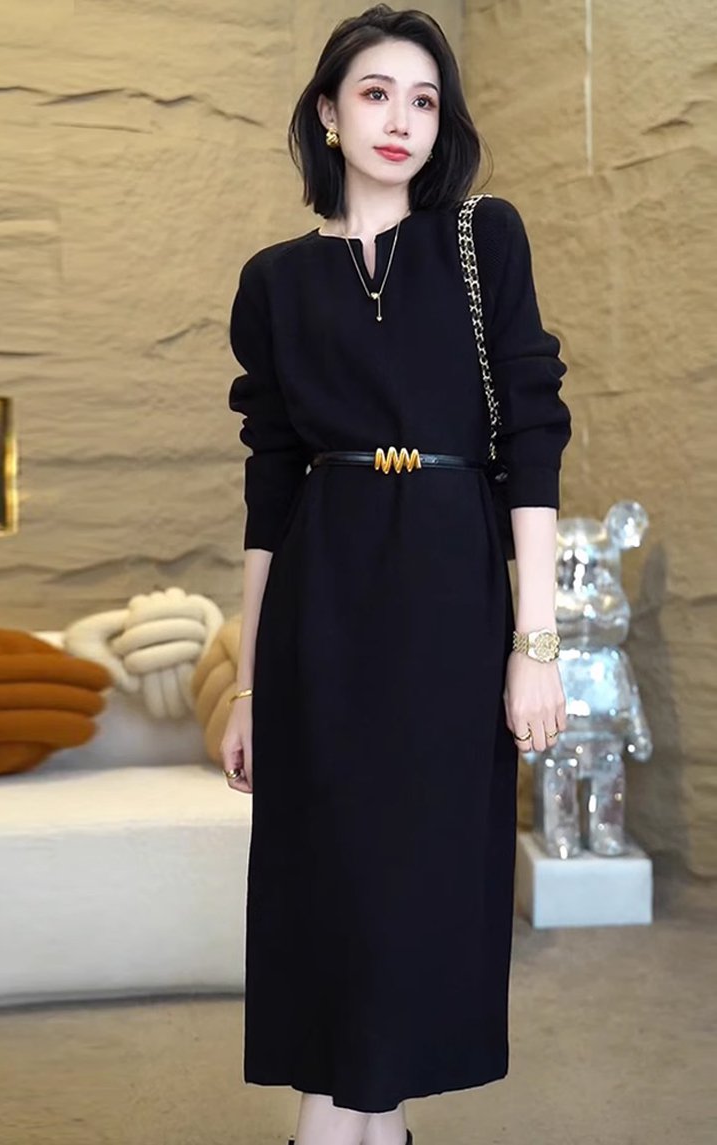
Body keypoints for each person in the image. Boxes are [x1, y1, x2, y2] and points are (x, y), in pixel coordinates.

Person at [221, 5, 572, 1144]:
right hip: (321, 607)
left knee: (412, 886)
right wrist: (247, 681)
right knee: (329, 883)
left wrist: (535, 642)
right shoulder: (275, 281)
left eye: (424, 100)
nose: (401, 119)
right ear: (328, 112)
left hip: (449, 601)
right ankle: (355, 1130)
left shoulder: (484, 239)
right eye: (375, 92)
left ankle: (349, 1128)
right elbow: (270, 492)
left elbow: (532, 442)